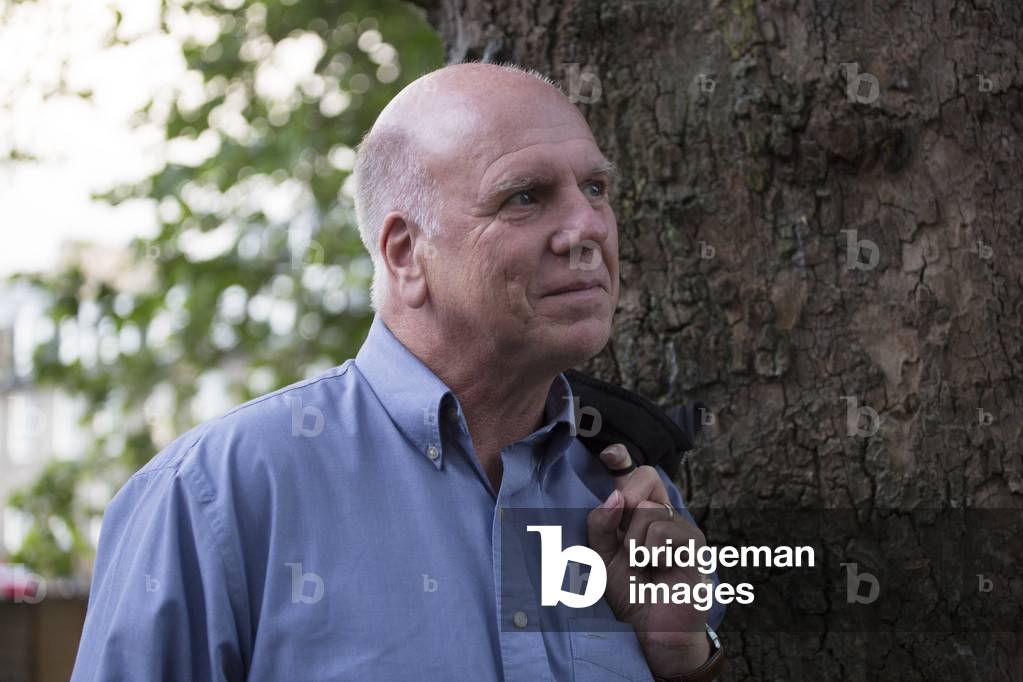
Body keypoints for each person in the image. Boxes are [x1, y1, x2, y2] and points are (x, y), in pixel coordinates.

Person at [70, 61, 724, 681]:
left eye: (595, 189)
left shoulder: (633, 500)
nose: (586, 228)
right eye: (525, 197)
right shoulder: (214, 495)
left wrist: (682, 659)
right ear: (406, 254)